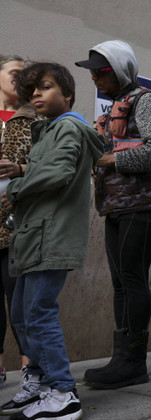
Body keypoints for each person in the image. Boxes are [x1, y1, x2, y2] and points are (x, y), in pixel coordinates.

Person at [0, 62, 103, 420]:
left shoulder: (69, 127)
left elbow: (60, 171)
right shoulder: (52, 131)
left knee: (39, 313)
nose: (36, 95)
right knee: (21, 313)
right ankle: (42, 382)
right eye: (32, 92)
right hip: (36, 236)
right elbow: (54, 165)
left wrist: (15, 186)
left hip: (51, 236)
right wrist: (24, 169)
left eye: (45, 87)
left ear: (68, 94)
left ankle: (63, 392)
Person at [75, 40, 151, 389]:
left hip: (141, 204)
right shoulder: (114, 106)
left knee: (132, 279)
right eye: (92, 73)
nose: (95, 79)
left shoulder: (145, 101)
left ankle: (133, 362)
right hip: (116, 205)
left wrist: (111, 159)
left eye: (100, 72)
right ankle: (123, 358)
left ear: (119, 70)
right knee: (120, 283)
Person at [0, 54, 33, 387]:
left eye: (25, 75)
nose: (19, 78)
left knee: (20, 300)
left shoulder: (33, 119)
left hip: (17, 222)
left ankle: (29, 366)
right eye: (13, 72)